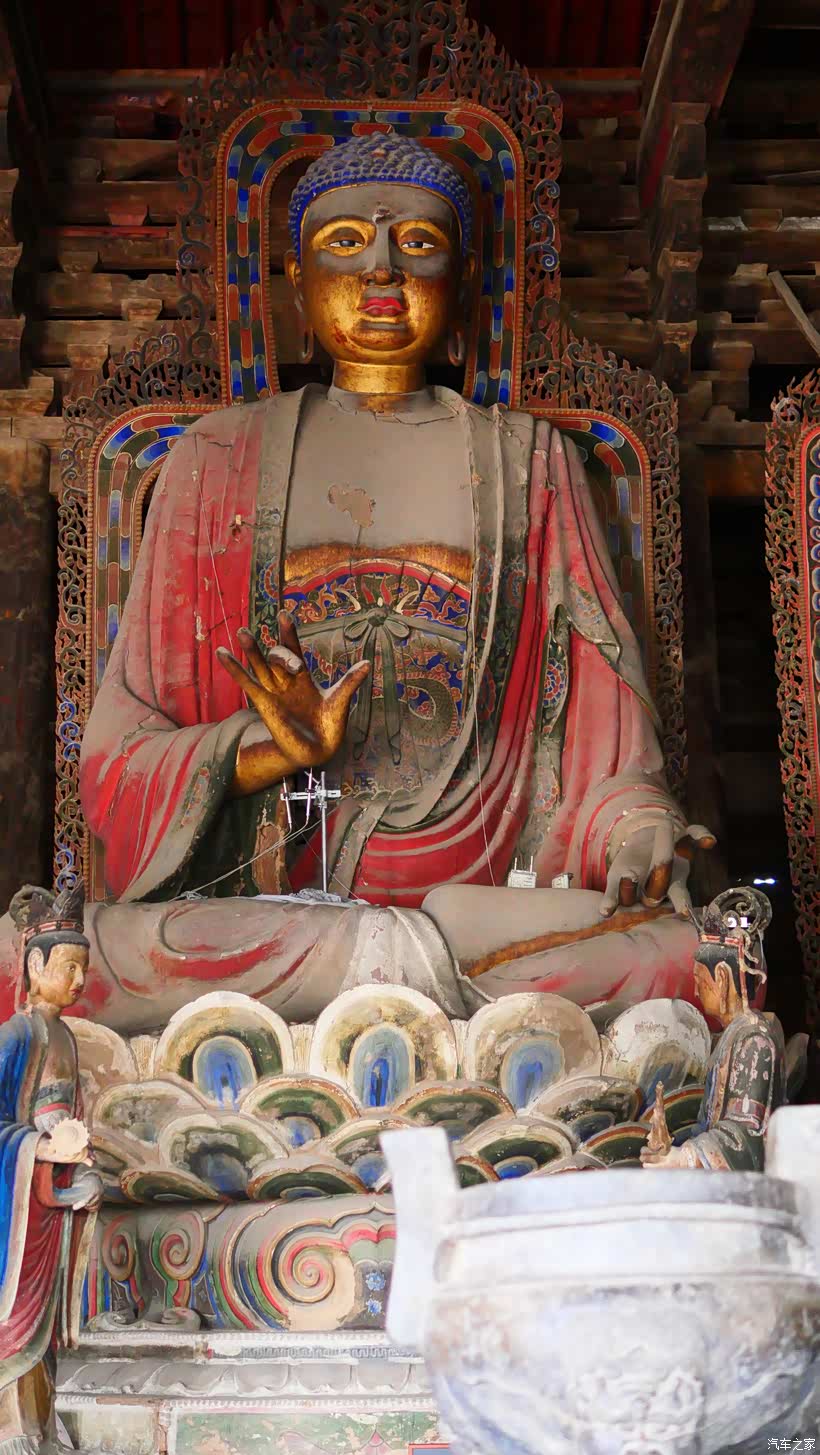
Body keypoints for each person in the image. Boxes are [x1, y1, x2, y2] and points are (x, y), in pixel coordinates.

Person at [70, 133, 707, 1032]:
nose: (381, 272)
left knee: (687, 950)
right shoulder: (211, 461)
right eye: (346, 244)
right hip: (280, 922)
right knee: (64, 955)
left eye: (417, 244)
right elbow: (115, 762)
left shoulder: (535, 465)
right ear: (297, 281)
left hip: (485, 904)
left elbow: (608, 764)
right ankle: (414, 976)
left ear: (464, 280)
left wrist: (641, 832)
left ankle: (397, 971)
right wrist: (270, 747)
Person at [0, 885, 101, 1455]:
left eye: (84, 969)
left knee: (45, 1321)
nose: (79, 980)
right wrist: (38, 1148)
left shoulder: (65, 1037)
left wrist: (82, 1169)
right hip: (17, 1199)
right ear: (35, 967)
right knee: (15, 1315)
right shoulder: (17, 1034)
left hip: (48, 1197)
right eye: (68, 967)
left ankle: (40, 1426)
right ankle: (12, 1430)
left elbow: (72, 1118)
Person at [642, 890, 783, 1172]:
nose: (696, 991)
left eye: (700, 981)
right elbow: (708, 1124)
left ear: (722, 977)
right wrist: (670, 1148)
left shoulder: (754, 1041)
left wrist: (684, 1159)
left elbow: (744, 1133)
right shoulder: (732, 1035)